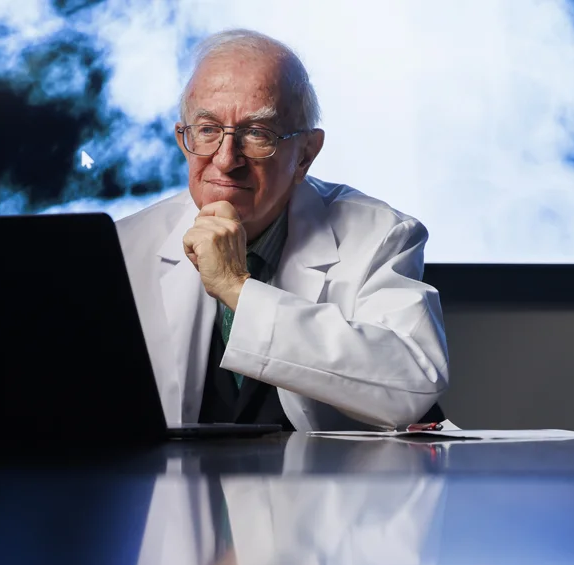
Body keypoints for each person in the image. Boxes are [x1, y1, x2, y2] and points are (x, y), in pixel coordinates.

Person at [116, 29, 449, 432]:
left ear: (306, 154)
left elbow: (413, 386)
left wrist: (236, 287)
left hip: (323, 490)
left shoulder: (381, 235)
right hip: (177, 491)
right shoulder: (125, 246)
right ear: (183, 140)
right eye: (207, 130)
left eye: (257, 134)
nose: (225, 160)